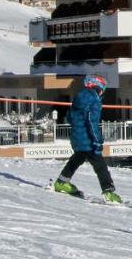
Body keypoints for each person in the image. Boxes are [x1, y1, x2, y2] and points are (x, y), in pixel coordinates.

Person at [52, 75, 121, 203]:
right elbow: (92, 122)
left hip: (76, 137)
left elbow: (69, 118)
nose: (102, 92)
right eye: (102, 89)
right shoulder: (94, 100)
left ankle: (61, 182)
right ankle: (108, 192)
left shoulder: (79, 97)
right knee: (100, 166)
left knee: (76, 159)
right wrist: (97, 140)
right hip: (88, 140)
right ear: (98, 88)